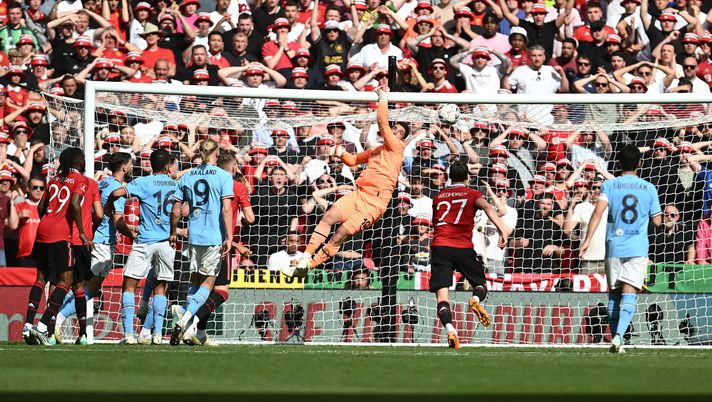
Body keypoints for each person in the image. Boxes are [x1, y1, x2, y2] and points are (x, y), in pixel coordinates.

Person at [281, 86, 410, 278]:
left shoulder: (397, 147)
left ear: (403, 139)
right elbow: (352, 161)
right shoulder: (376, 150)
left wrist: (382, 98)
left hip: (374, 204)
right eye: (395, 128)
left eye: (399, 132)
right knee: (328, 216)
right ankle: (305, 258)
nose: (395, 132)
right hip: (359, 194)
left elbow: (382, 121)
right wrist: (340, 152)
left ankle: (309, 267)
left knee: (339, 235)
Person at [580, 144, 662, 354]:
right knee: (629, 295)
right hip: (637, 247)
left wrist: (587, 240)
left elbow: (597, 213)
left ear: (618, 163)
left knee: (614, 295)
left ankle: (617, 340)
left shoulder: (610, 185)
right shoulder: (649, 188)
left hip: (614, 246)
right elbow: (658, 221)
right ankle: (618, 337)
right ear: (640, 164)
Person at [54, 153, 134, 344]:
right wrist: (133, 234)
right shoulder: (118, 188)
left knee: (79, 286)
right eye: (131, 164)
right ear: (124, 167)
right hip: (102, 242)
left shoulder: (102, 183)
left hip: (89, 239)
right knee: (90, 288)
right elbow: (118, 220)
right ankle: (56, 318)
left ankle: (55, 317)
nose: (132, 167)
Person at [430, 160, 509, 349]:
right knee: (481, 284)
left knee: (442, 298)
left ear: (449, 177)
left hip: (440, 247)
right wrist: (503, 231)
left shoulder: (438, 196)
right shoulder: (473, 194)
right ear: (468, 177)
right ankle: (474, 300)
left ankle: (450, 329)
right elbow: (489, 208)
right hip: (463, 247)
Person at [105, 149, 179, 345]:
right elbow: (181, 210)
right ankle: (157, 335)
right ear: (167, 166)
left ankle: (128, 334)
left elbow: (116, 192)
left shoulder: (142, 182)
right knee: (161, 289)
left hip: (145, 241)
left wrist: (109, 205)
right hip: (166, 243)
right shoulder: (175, 184)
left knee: (129, 286)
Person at [183, 153, 253, 346]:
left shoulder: (202, 180)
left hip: (198, 240)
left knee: (201, 287)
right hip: (221, 243)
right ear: (232, 168)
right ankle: (189, 321)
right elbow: (251, 217)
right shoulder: (235, 186)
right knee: (221, 291)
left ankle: (201, 333)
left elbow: (184, 209)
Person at [169, 140, 234, 346]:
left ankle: (188, 326)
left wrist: (173, 232)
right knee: (208, 283)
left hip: (193, 237)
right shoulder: (224, 176)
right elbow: (226, 209)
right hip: (213, 238)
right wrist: (229, 237)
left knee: (194, 282)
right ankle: (186, 320)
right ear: (216, 154)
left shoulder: (187, 176)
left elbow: (176, 209)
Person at [25, 147, 90, 345]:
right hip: (62, 235)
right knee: (66, 280)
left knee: (41, 278)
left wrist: (49, 219)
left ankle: (27, 325)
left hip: (42, 230)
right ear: (79, 162)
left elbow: (40, 206)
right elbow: (75, 204)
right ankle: (43, 326)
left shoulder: (54, 179)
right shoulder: (81, 180)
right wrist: (81, 231)